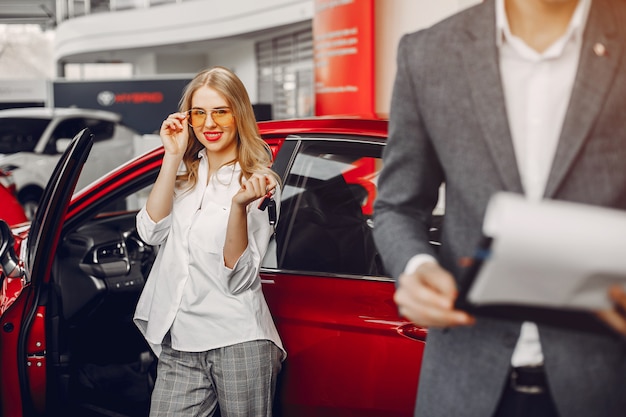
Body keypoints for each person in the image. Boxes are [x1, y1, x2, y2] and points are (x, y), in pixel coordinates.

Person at [373, 0, 626, 416]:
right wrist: (415, 267)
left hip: (607, 382)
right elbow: (397, 206)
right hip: (463, 384)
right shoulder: (428, 54)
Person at [133, 66, 285, 417]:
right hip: (180, 343)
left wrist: (238, 206)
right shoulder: (185, 175)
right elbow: (150, 231)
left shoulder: (257, 181)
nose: (209, 124)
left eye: (220, 111)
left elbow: (239, 278)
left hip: (238, 341)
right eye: (199, 113)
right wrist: (172, 156)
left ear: (238, 114)